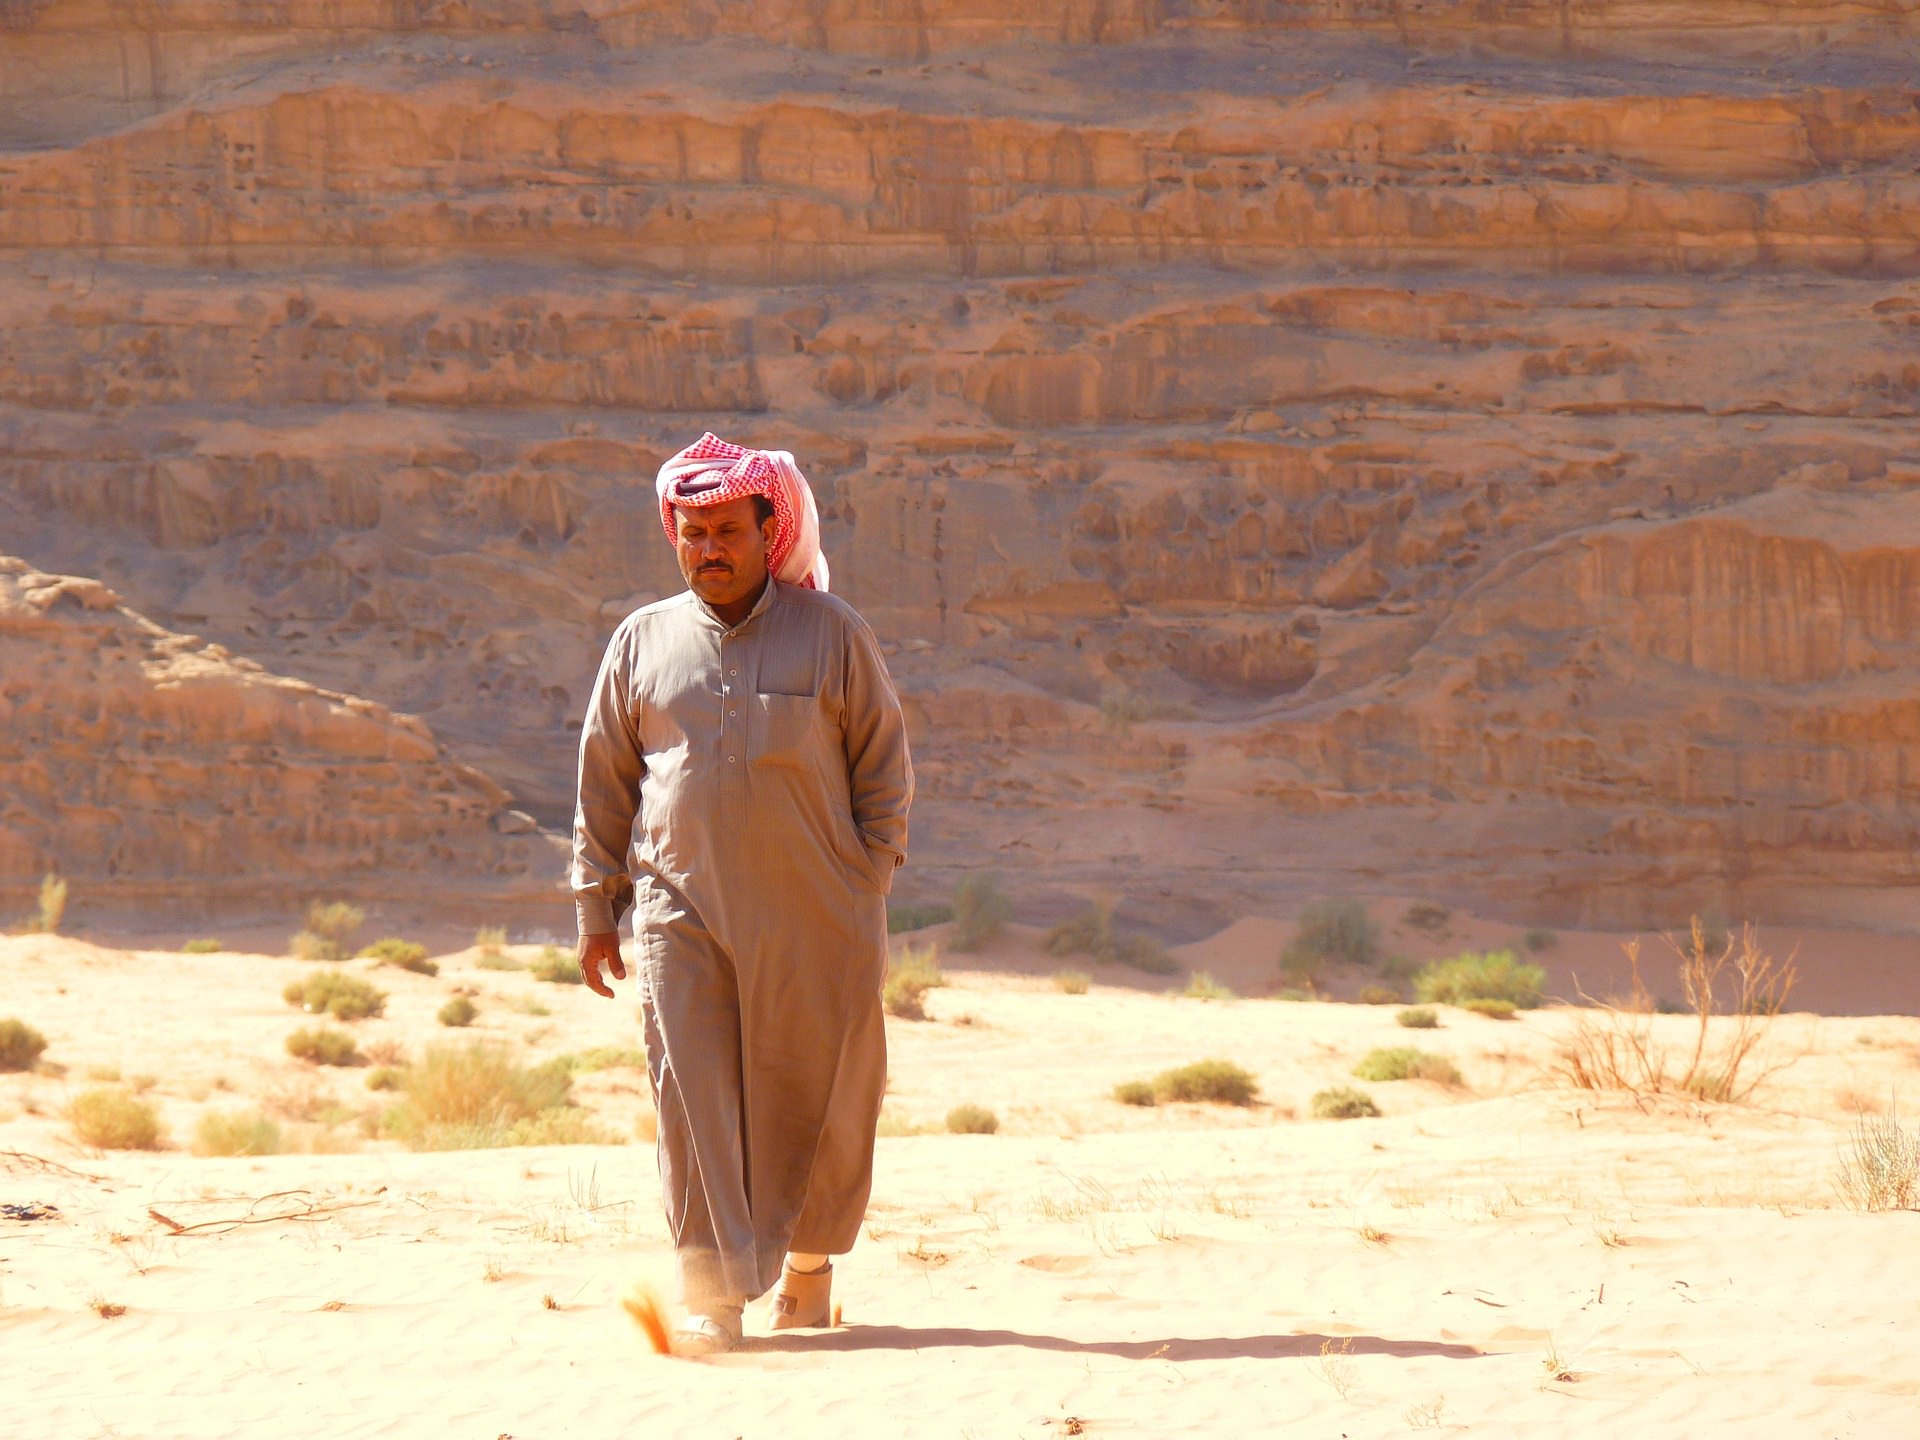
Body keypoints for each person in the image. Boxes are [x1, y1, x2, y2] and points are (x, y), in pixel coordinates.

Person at [570, 432, 914, 1355]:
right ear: (674, 537)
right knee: (692, 1096)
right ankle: (712, 1292)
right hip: (679, 910)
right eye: (693, 532)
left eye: (728, 529)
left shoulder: (831, 632)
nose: (709, 548)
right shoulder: (641, 640)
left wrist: (864, 881)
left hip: (819, 917)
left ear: (771, 532)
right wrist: (594, 903)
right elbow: (605, 779)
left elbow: (884, 767)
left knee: (826, 1094)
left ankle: (808, 1264)